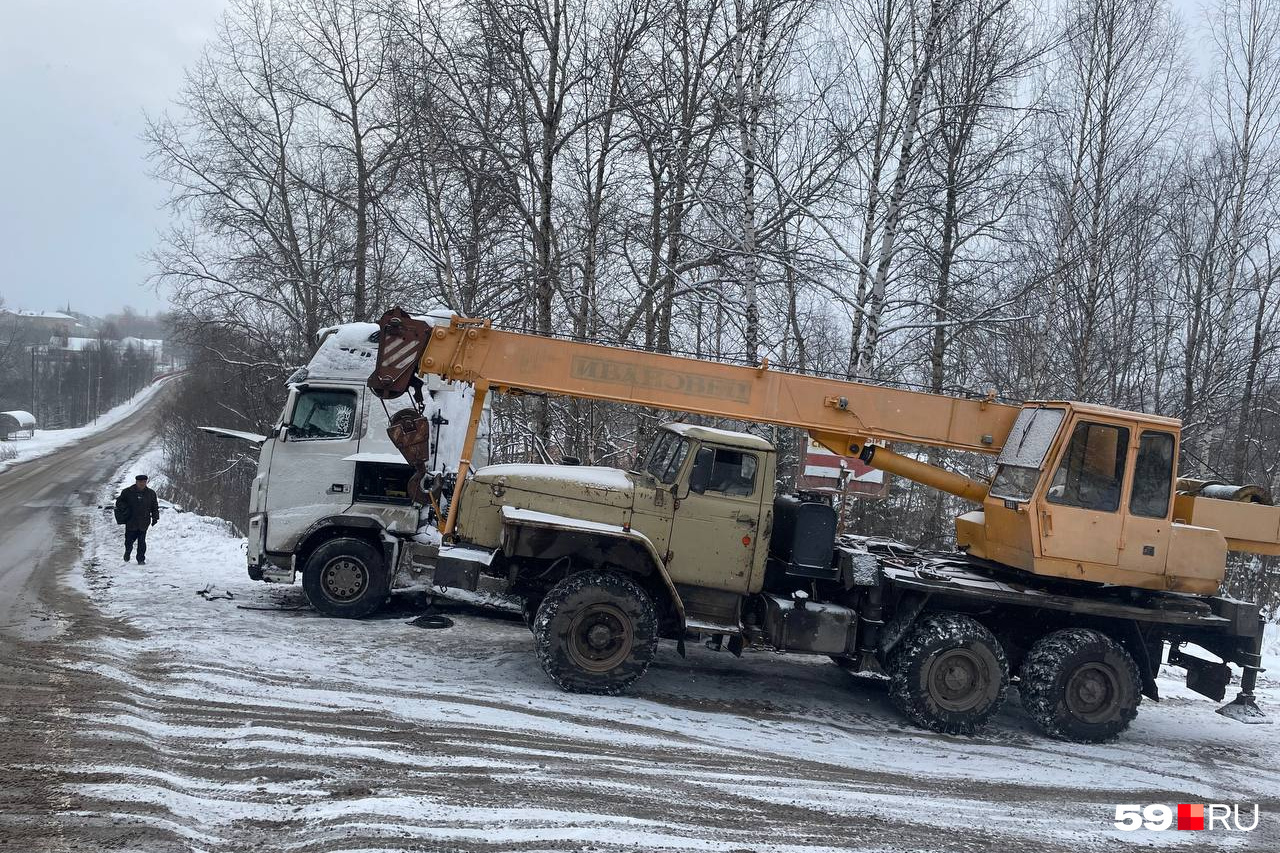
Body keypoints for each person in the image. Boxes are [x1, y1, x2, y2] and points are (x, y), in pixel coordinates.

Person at [115, 474, 160, 565]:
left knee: (142, 541)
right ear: (136, 482)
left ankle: (141, 559)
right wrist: (125, 508)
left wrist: (155, 517)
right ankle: (128, 551)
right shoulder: (127, 492)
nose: (142, 484)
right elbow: (119, 502)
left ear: (146, 482)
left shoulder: (151, 493)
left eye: (144, 482)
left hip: (144, 521)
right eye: (140, 482)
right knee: (129, 540)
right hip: (131, 521)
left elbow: (154, 506)